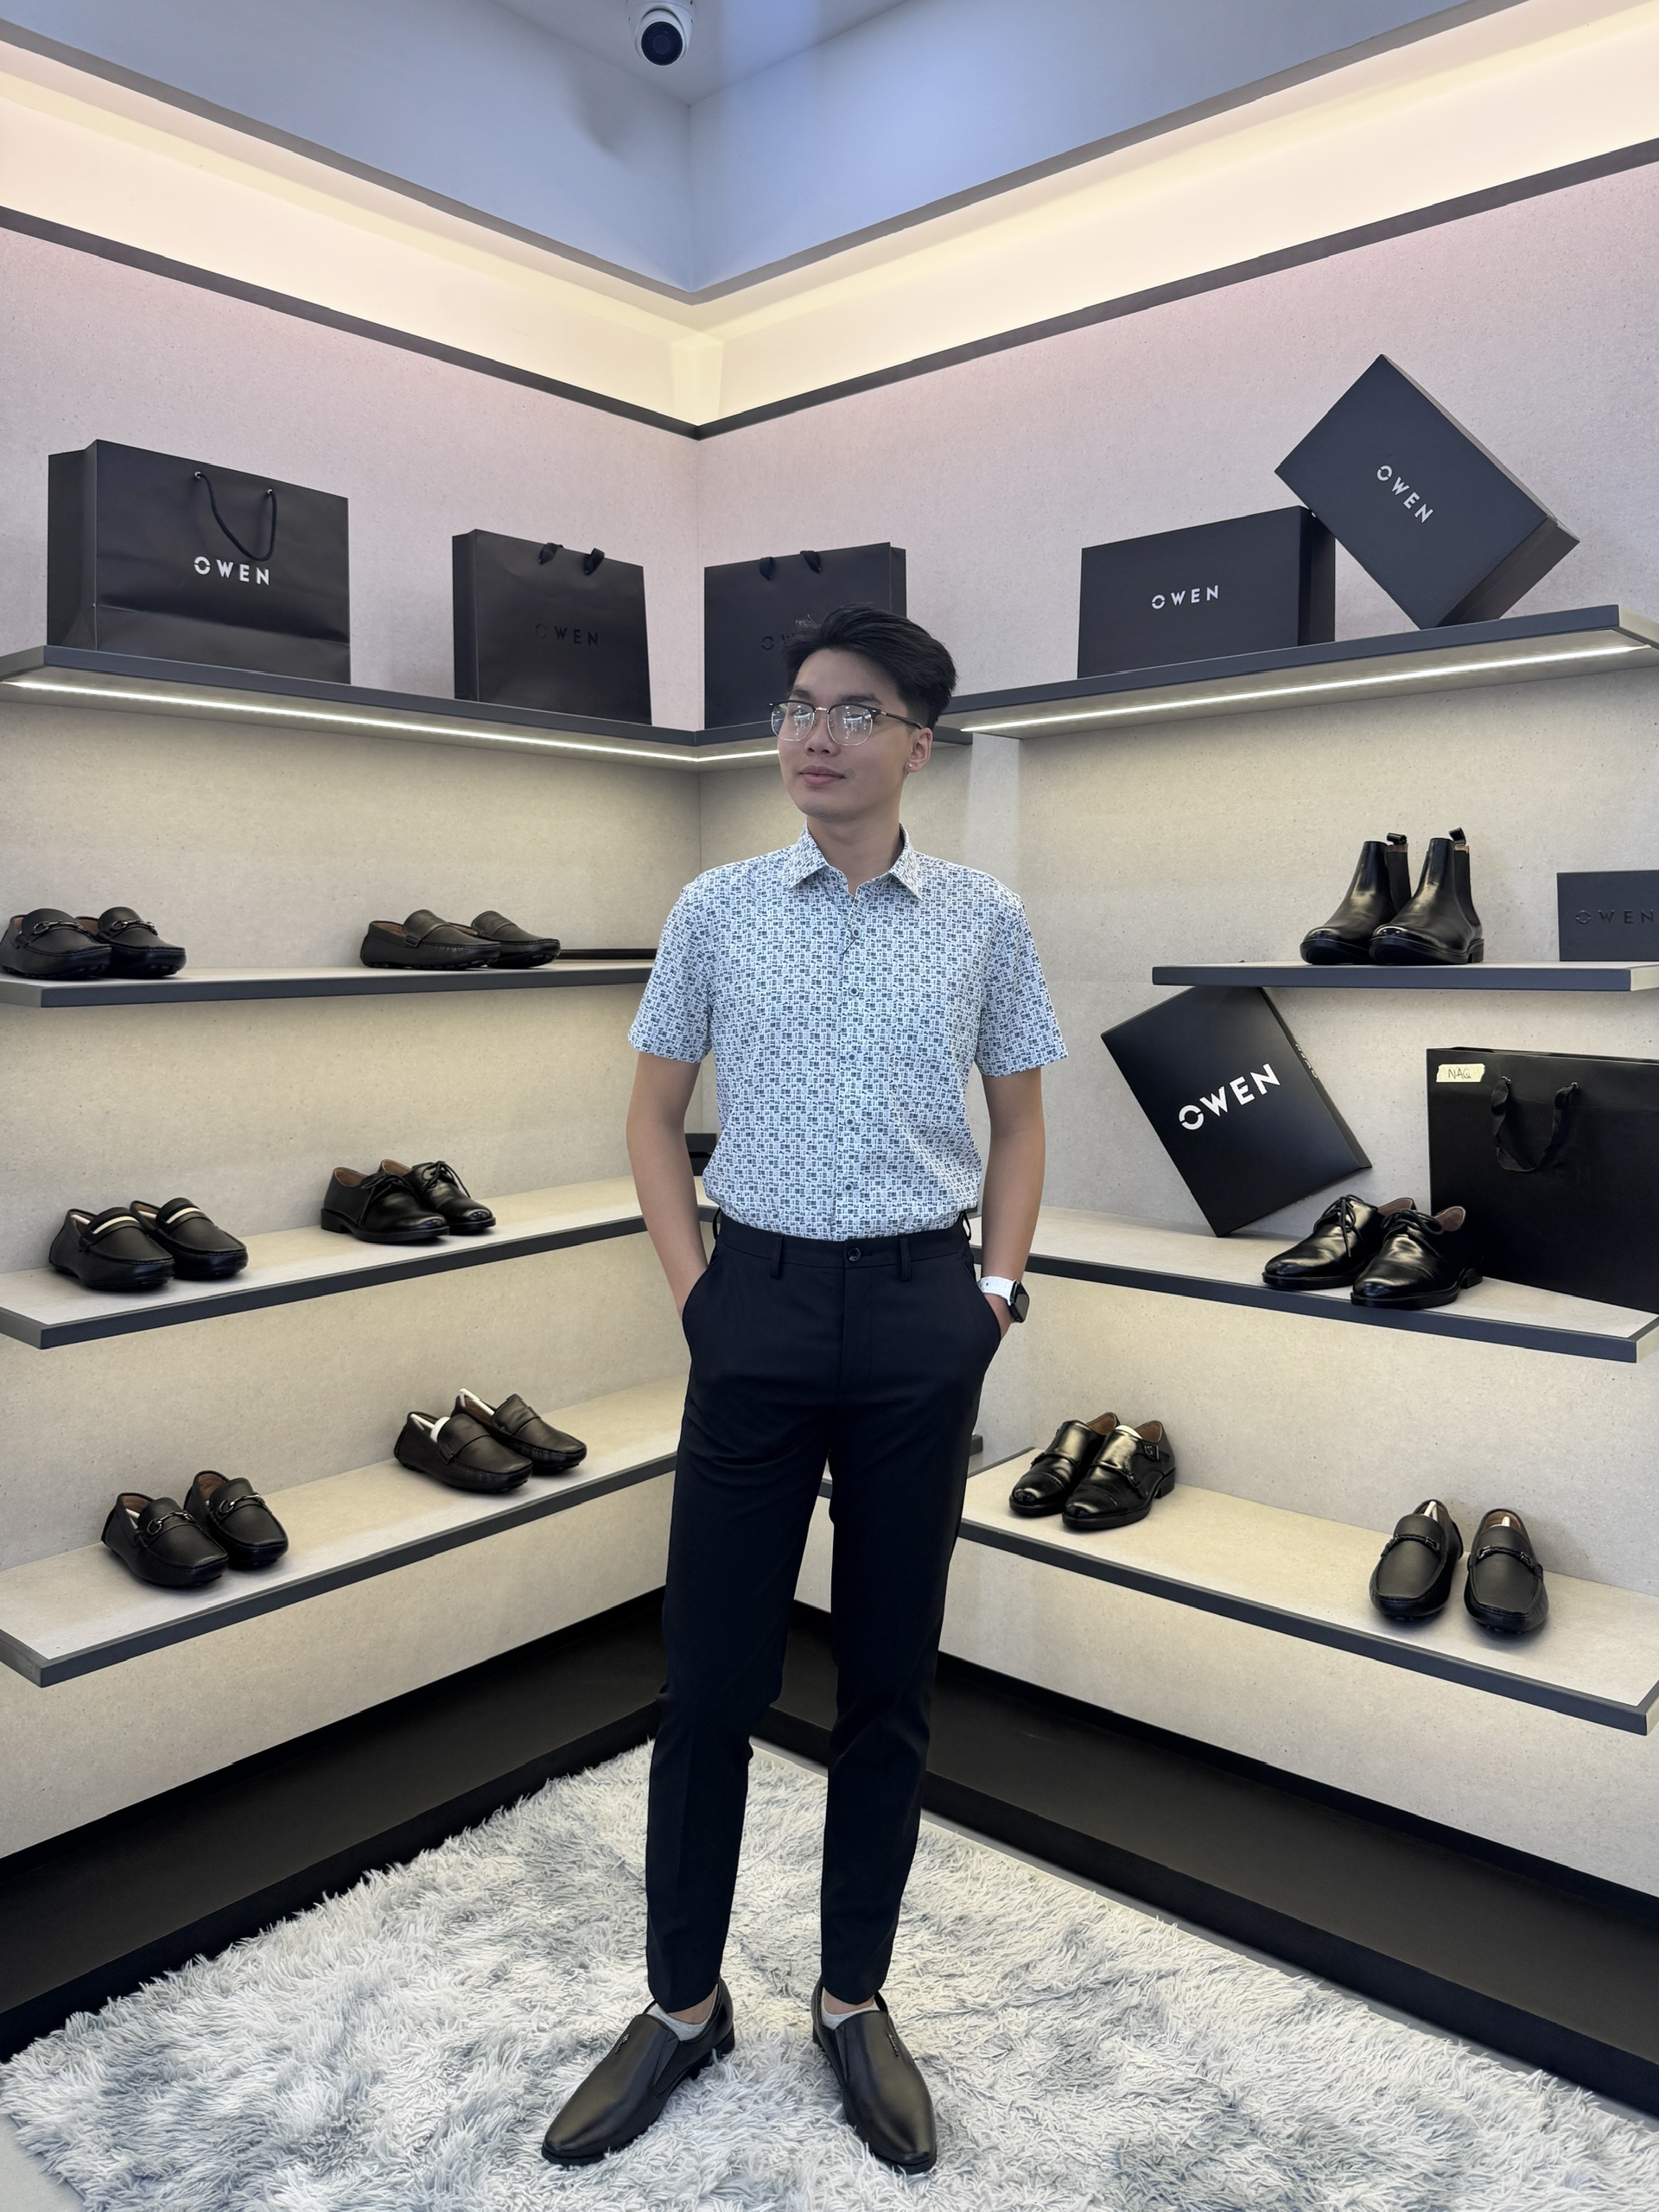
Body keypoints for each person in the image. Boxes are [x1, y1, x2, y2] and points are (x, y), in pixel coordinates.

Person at [542, 604, 1064, 2175]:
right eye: (795, 708)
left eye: (851, 711)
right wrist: (701, 1295)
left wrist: (993, 1295)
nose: (812, 736)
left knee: (888, 1680)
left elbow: (1022, 1125)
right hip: (754, 1303)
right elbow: (652, 1118)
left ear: (918, 743)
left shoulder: (982, 919)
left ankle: (853, 1997)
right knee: (710, 1679)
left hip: (919, 1310)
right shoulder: (715, 907)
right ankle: (683, 2005)